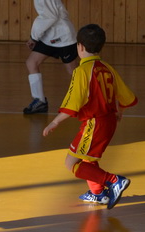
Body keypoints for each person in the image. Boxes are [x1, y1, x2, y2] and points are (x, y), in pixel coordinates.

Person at [42, 24, 138, 210]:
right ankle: (98, 194)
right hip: (109, 121)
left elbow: (73, 102)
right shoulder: (107, 68)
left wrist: (55, 122)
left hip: (95, 123)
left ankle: (114, 181)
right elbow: (125, 95)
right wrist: (120, 111)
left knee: (71, 163)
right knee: (89, 159)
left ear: (80, 47)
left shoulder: (82, 71)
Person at [13, 0, 79, 114]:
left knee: (73, 72)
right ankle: (40, 101)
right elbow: (46, 19)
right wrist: (36, 37)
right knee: (32, 62)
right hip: (51, 37)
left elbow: (50, 17)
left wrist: (34, 37)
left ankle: (90, 97)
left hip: (64, 38)